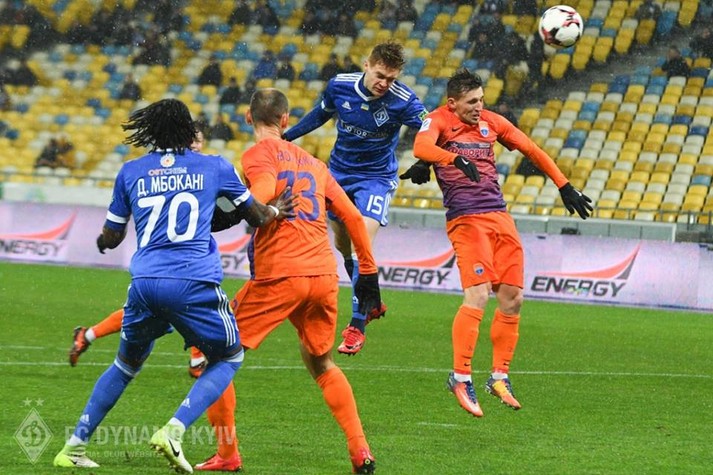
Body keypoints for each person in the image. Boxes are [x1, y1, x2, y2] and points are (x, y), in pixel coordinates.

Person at [53, 98, 296, 472]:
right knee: (229, 356)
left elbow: (113, 236)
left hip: (145, 282)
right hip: (193, 280)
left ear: (151, 131)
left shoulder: (131, 171)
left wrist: (102, 241)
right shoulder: (214, 166)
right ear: (187, 130)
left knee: (124, 365)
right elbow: (258, 216)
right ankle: (174, 429)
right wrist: (277, 209)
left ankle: (73, 447)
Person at [194, 88, 381, 474]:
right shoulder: (315, 164)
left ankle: (227, 454)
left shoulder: (258, 154)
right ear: (285, 120)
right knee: (322, 363)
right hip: (323, 274)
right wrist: (368, 271)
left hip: (281, 273)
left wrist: (229, 213)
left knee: (215, 356)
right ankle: (360, 450)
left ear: (248, 117)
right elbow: (351, 216)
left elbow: (260, 196)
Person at [401, 68, 592, 417]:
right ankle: (460, 377)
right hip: (466, 219)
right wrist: (453, 158)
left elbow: (531, 149)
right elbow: (421, 146)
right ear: (452, 102)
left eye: (482, 100)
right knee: (478, 294)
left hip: (499, 216)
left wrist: (564, 185)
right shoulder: (438, 120)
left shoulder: (492, 122)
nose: (479, 107)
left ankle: (499, 377)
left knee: (513, 297)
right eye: (472, 102)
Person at [282, 40, 428, 355]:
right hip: (338, 174)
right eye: (379, 75)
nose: (384, 84)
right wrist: (285, 138)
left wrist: (426, 160)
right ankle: (370, 300)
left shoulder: (404, 101)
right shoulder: (339, 86)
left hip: (376, 179)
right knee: (343, 245)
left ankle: (356, 325)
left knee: (363, 242)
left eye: (391, 79)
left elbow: (433, 129)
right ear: (366, 65)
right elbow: (319, 115)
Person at [67, 127, 213, 379]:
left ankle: (88, 335)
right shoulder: (162, 173)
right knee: (191, 304)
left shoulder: (203, 172)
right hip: (161, 260)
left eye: (199, 141)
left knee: (169, 307)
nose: (195, 145)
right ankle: (198, 358)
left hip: (179, 259)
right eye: (191, 140)